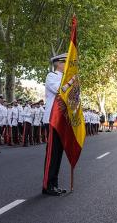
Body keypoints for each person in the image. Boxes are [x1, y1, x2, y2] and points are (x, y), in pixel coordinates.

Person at [42, 53, 67, 196]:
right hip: (52, 120)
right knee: (52, 154)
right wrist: (70, 82)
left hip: (62, 121)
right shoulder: (51, 76)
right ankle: (47, 185)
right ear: (58, 63)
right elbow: (60, 90)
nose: (67, 66)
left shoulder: (65, 78)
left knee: (58, 154)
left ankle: (54, 183)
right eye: (66, 63)